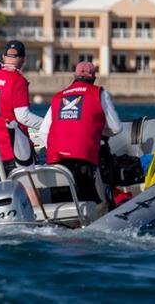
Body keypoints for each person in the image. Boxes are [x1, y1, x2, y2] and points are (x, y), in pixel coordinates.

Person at [39, 61, 122, 202]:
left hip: (56, 158)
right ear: (94, 78)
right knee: (88, 198)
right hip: (84, 155)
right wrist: (96, 131)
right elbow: (116, 128)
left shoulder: (58, 96)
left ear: (75, 76)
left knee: (61, 200)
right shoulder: (99, 93)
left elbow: (43, 132)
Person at [0, 41, 44, 179]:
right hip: (14, 152)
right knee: (29, 193)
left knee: (3, 193)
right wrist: (50, 125)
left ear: (4, 57)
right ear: (23, 59)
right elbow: (23, 117)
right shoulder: (18, 81)